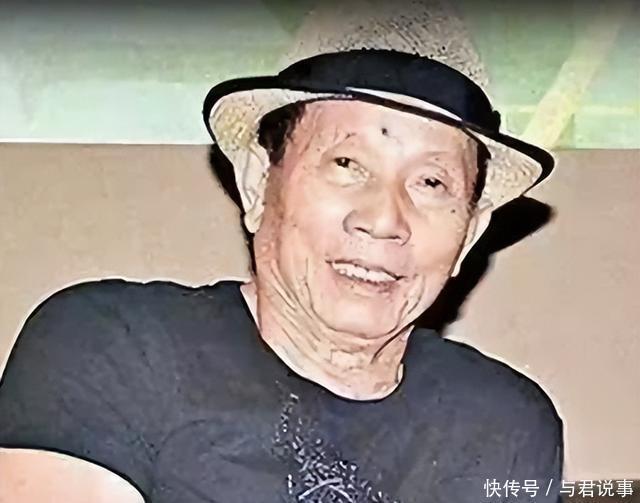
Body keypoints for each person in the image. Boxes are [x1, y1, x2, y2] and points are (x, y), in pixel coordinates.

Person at [0, 50, 563, 502]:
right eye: (347, 164)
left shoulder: (506, 423)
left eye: (432, 183)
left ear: (470, 234)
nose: (384, 220)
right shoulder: (112, 347)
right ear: (256, 184)